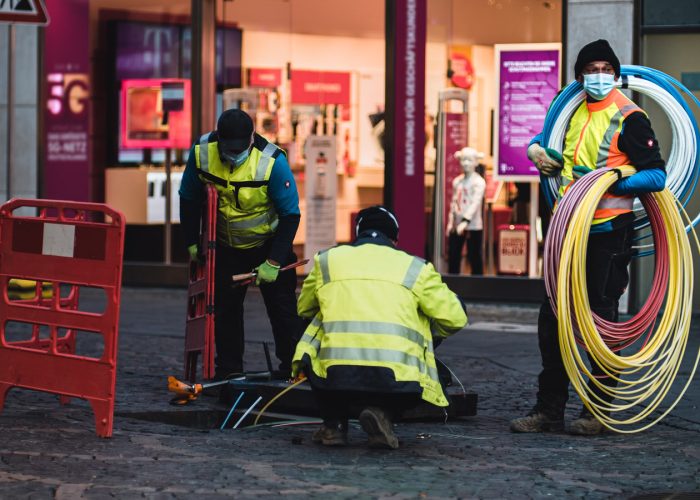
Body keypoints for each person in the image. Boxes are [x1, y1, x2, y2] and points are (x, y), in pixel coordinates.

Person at [510, 40, 666, 435]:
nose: (598, 75)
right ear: (579, 76)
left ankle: (596, 410)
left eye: (605, 68)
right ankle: (549, 410)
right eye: (590, 68)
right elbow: (567, 160)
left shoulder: (630, 118)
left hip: (608, 233)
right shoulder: (572, 112)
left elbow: (657, 176)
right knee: (554, 322)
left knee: (600, 320)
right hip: (567, 230)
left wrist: (615, 177)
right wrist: (539, 153)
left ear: (615, 74)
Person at [292, 206, 468, 449]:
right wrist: (423, 330)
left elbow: (304, 309)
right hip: (398, 380)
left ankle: (334, 425)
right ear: (394, 239)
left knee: (314, 323)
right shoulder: (416, 267)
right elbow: (456, 318)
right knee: (427, 315)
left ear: (357, 234)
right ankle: (383, 413)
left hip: (334, 377)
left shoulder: (327, 260)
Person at [179, 109, 305, 384]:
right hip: (226, 246)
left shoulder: (272, 161)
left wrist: (273, 262)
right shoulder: (202, 153)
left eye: (240, 149)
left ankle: (292, 368)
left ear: (251, 138)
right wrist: (190, 240)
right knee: (225, 311)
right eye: (228, 149)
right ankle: (229, 370)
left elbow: (290, 215)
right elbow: (188, 197)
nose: (233, 155)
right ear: (218, 139)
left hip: (268, 243)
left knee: (282, 309)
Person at [447, 147, 486, 275]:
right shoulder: (457, 181)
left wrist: (466, 221)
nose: (466, 163)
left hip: (473, 226)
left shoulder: (479, 182)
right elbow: (454, 202)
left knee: (474, 256)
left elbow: (475, 203)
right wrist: (450, 222)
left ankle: (478, 284)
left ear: (476, 162)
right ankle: (453, 282)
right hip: (457, 225)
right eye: (463, 160)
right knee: (453, 255)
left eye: (469, 160)